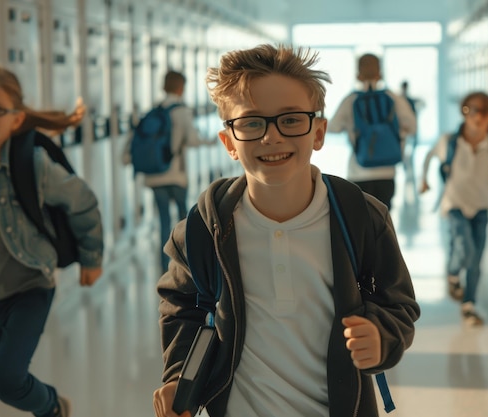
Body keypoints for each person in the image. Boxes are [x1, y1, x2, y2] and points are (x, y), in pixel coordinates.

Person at [152, 44, 420, 417]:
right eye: (251, 122)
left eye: (291, 119)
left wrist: (381, 336)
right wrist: (180, 376)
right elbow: (181, 307)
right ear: (229, 142)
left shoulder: (361, 218)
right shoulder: (204, 228)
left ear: (319, 132)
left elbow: (399, 304)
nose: (272, 136)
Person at [0, 60, 104, 417]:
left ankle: (53, 408)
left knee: (5, 380)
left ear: (15, 118)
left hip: (31, 283)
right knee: (6, 382)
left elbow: (83, 202)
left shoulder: (33, 165)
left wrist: (92, 259)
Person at [419, 91, 488, 326]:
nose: (475, 116)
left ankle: (469, 306)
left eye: (481, 112)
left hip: (482, 206)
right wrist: (424, 180)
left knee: (476, 261)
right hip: (455, 204)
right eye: (469, 110)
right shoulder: (450, 142)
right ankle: (453, 274)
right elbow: (429, 156)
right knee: (466, 249)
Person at [124, 70, 213, 273]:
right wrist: (210, 140)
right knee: (183, 220)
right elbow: (191, 140)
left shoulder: (154, 110)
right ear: (181, 87)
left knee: (163, 219)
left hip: (155, 175)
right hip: (176, 175)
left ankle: (164, 268)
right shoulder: (181, 111)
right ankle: (186, 265)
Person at [328, 53, 416, 210]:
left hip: (358, 171)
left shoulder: (351, 100)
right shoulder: (394, 98)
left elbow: (333, 128)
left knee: (360, 222)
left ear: (358, 75)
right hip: (387, 172)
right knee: (383, 220)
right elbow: (412, 126)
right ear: (380, 73)